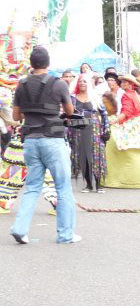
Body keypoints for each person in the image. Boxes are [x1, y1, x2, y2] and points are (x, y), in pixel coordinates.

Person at [9, 46, 80, 244]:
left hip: (30, 140)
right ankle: (66, 235)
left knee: (32, 186)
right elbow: (69, 110)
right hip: (53, 139)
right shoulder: (58, 84)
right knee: (63, 188)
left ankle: (20, 229)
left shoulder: (21, 85)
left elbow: (16, 116)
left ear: (31, 64)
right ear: (48, 64)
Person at [68, 73, 108, 193]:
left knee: (96, 155)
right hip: (79, 129)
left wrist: (106, 129)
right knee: (82, 156)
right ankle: (89, 184)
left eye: (84, 81)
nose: (82, 83)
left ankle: (99, 184)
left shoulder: (95, 97)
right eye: (80, 81)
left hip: (94, 129)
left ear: (89, 83)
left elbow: (104, 114)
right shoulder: (72, 98)